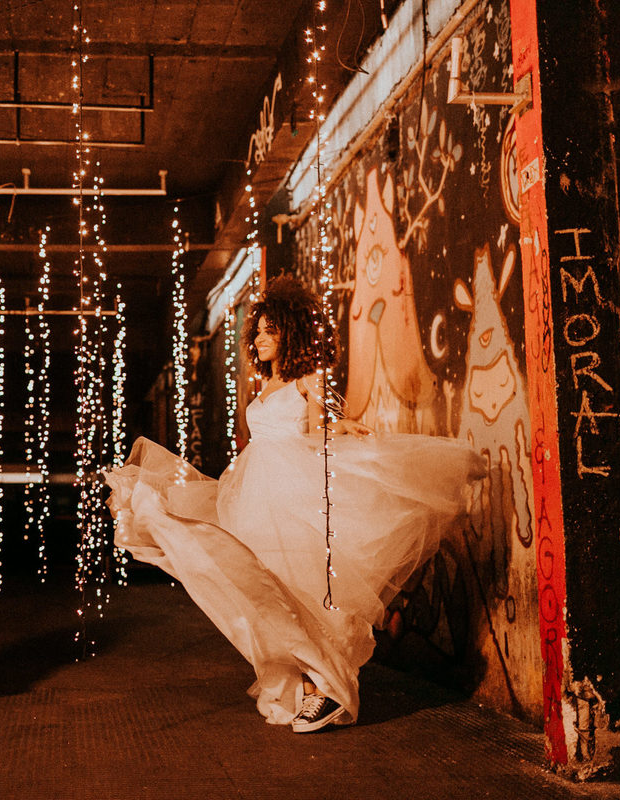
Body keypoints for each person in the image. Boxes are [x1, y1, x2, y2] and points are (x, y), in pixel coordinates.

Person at [104, 275, 484, 733]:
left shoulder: (308, 379)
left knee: (303, 589)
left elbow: (324, 425)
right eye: (258, 331)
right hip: (254, 492)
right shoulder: (260, 387)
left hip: (294, 492)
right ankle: (301, 681)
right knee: (265, 589)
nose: (261, 338)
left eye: (271, 330)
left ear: (292, 333)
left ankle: (330, 689)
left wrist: (341, 430)